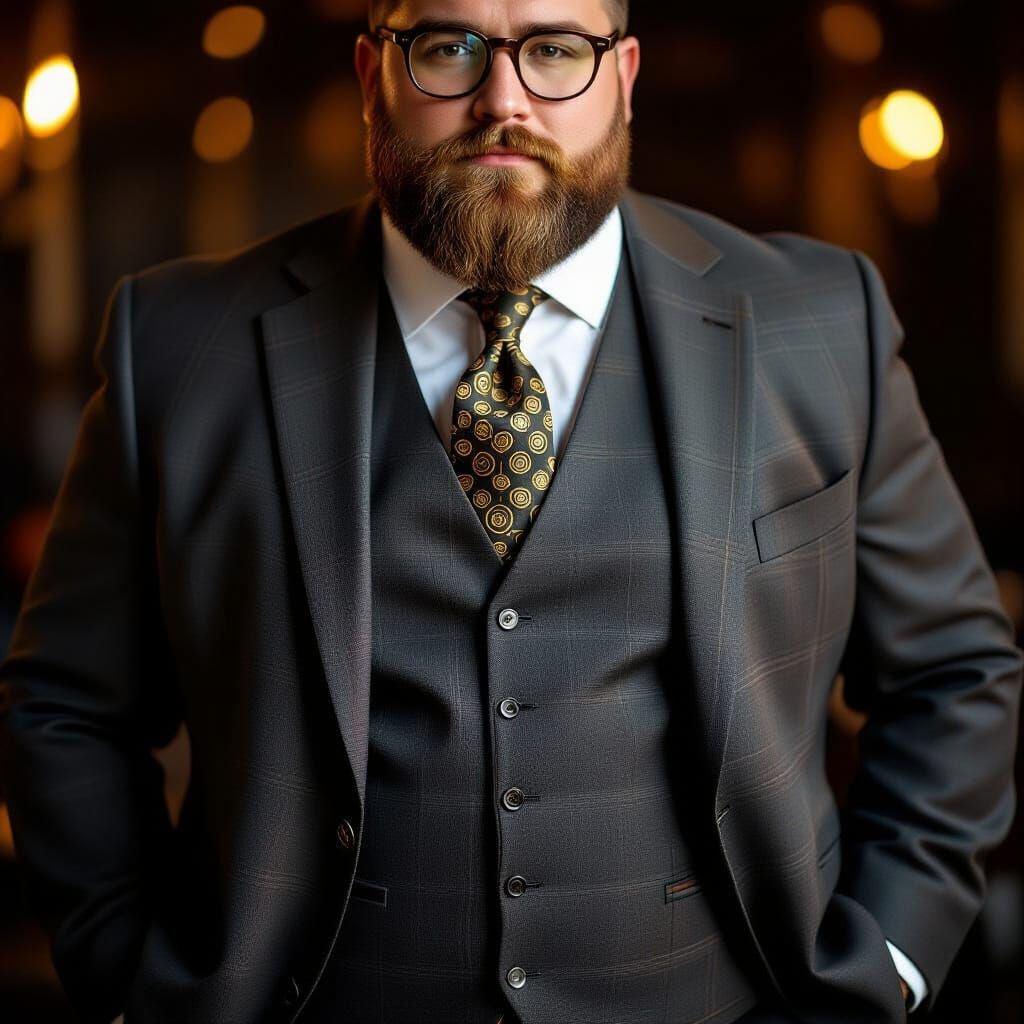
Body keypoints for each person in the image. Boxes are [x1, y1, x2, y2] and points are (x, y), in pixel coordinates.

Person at [1, 0, 1021, 1021]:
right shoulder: (179, 344)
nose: (503, 98)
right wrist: (133, 981)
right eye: (447, 47)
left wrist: (887, 953)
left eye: (554, 50)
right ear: (372, 78)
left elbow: (952, 667)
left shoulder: (816, 321)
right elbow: (67, 704)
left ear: (622, 76)